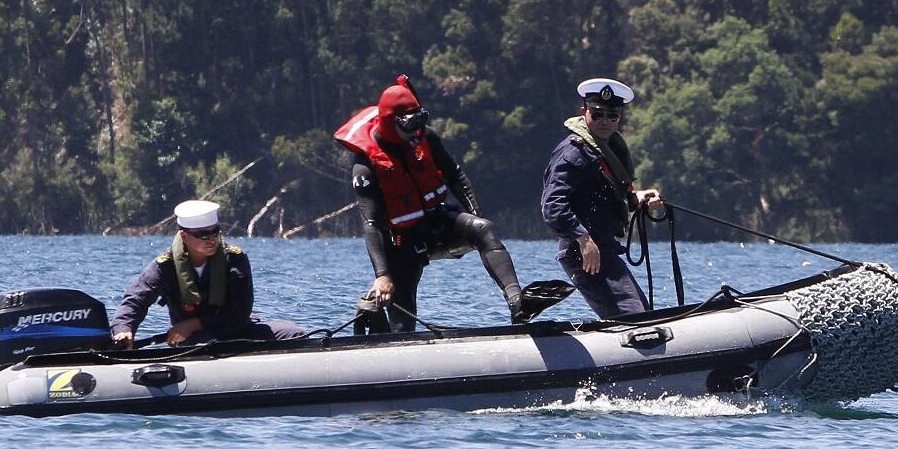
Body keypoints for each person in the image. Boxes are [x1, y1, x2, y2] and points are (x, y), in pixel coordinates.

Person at [335, 76, 565, 331]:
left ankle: (517, 303)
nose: (416, 129)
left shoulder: (424, 137)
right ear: (391, 122)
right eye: (410, 123)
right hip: (400, 245)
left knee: (483, 229)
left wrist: (476, 217)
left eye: (420, 119)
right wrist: (382, 275)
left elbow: (456, 177)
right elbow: (372, 224)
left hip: (438, 224)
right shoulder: (365, 166)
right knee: (402, 321)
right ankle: (382, 335)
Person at [541, 78, 665, 319]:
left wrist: (637, 198)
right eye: (597, 114)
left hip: (604, 247)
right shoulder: (574, 153)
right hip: (585, 252)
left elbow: (600, 199)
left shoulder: (602, 150)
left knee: (643, 313)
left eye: (612, 115)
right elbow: (553, 205)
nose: (605, 121)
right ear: (584, 112)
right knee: (634, 318)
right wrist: (583, 240)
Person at [111, 199, 304, 347]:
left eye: (215, 232)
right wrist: (124, 330)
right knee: (207, 346)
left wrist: (194, 323)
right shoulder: (165, 266)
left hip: (237, 328)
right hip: (194, 339)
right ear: (184, 236)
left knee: (294, 334)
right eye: (202, 234)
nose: (211, 239)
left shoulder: (235, 260)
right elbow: (135, 299)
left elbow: (239, 313)